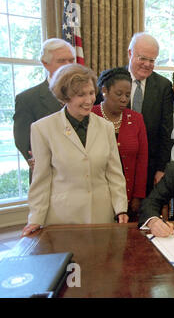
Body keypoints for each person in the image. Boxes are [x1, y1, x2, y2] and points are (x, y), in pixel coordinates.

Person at [22, 64, 129, 236]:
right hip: (63, 219)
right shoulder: (42, 128)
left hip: (101, 217)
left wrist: (120, 209)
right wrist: (35, 218)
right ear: (64, 97)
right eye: (81, 95)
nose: (89, 100)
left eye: (91, 93)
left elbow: (114, 174)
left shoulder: (106, 127)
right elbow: (41, 179)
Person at [92, 67, 148, 220]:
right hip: (97, 195)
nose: (124, 99)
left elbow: (142, 160)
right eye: (119, 94)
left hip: (128, 194)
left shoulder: (136, 119)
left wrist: (138, 196)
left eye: (127, 95)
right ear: (104, 90)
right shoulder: (91, 116)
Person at [13, 38, 76, 168]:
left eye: (71, 60)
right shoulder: (27, 99)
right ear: (45, 63)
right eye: (61, 61)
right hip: (47, 172)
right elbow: (23, 141)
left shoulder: (90, 94)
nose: (68, 65)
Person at [127, 32, 173, 193]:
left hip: (149, 165)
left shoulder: (163, 86)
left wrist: (161, 168)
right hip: (117, 163)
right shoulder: (113, 79)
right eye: (142, 58)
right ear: (130, 53)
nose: (147, 64)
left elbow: (166, 131)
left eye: (152, 60)